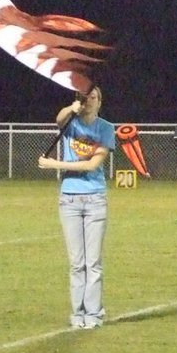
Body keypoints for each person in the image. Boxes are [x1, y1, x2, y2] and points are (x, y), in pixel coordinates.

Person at [37, 86, 116, 328]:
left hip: (94, 199)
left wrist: (54, 164)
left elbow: (92, 165)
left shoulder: (106, 128)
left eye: (93, 97)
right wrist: (69, 109)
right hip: (69, 199)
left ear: (100, 102)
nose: (89, 101)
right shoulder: (72, 122)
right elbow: (59, 120)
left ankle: (93, 314)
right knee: (76, 262)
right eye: (84, 97)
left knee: (93, 262)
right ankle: (77, 313)